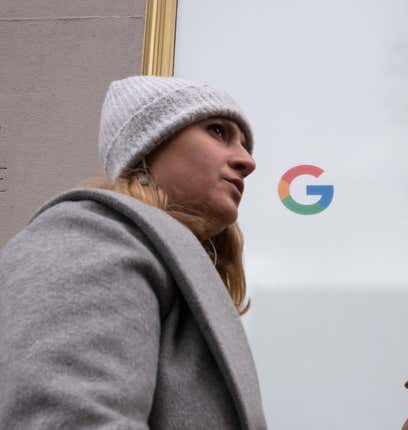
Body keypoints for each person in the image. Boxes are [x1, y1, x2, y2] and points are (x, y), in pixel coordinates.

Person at [0, 76, 267, 429]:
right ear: (149, 145)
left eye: (245, 144)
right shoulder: (90, 233)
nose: (247, 160)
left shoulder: (161, 258)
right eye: (218, 131)